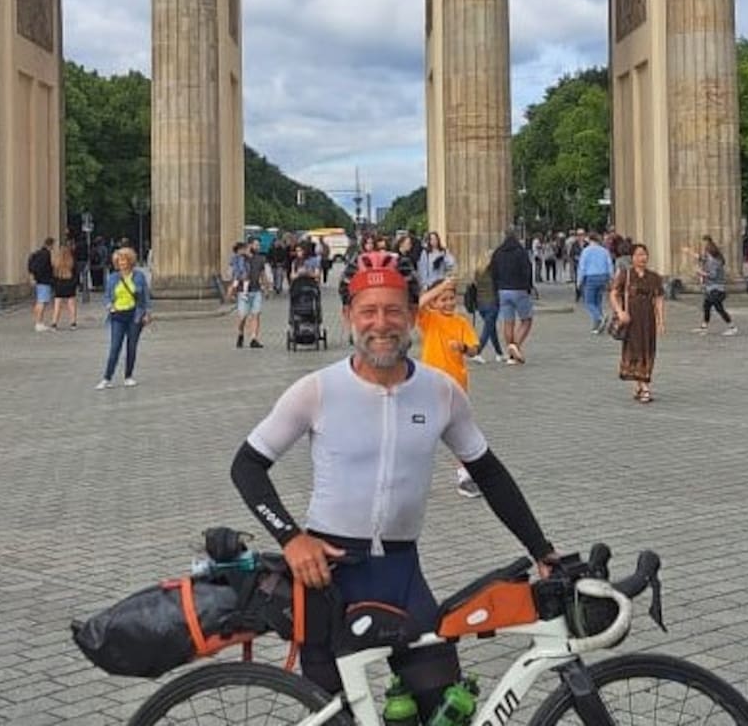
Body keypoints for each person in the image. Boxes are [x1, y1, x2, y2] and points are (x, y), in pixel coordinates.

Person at [230, 251, 558, 720]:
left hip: (403, 577)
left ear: (411, 316)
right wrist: (292, 538)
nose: (380, 323)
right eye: (368, 310)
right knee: (335, 716)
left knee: (447, 711)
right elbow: (246, 466)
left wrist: (540, 549)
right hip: (329, 580)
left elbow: (488, 472)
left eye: (393, 310)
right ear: (348, 316)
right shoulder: (317, 390)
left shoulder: (441, 391)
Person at [417, 278, 482, 498]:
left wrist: (463, 348)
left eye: (451, 298)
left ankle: (465, 475)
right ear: (434, 302)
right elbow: (417, 304)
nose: (448, 303)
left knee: (460, 431)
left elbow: (474, 349)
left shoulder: (461, 322)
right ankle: (411, 476)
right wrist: (440, 286)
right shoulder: (429, 318)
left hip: (457, 384)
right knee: (425, 430)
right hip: (431, 384)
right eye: (442, 299)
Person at [609, 244, 665, 403]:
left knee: (648, 349)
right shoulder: (625, 275)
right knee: (635, 350)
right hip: (631, 319)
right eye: (639, 255)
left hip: (647, 318)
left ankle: (641, 383)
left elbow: (659, 299)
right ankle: (645, 386)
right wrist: (620, 312)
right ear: (632, 257)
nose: (643, 258)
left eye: (645, 254)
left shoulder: (654, 277)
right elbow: (613, 294)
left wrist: (660, 320)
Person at [96, 247, 151, 390]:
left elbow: (145, 297)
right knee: (115, 347)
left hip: (135, 315)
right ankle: (107, 378)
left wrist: (147, 313)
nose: (122, 263)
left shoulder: (139, 276)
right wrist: (110, 306)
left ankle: (128, 376)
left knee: (131, 347)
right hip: (118, 315)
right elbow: (107, 296)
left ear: (130, 261)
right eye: (119, 260)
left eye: (124, 260)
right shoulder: (113, 277)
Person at [490, 228, 534, 364]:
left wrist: (497, 287)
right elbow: (527, 270)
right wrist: (528, 286)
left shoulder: (498, 252)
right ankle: (515, 346)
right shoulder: (520, 252)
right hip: (519, 289)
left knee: (508, 322)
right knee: (526, 320)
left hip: (503, 290)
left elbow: (493, 271)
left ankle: (511, 355)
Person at [694, 236, 737, 336]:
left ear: (709, 251)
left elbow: (713, 275)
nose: (704, 251)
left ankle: (732, 327)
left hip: (716, 288)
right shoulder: (712, 259)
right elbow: (700, 258)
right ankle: (704, 327)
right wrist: (689, 252)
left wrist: (701, 273)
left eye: (706, 250)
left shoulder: (714, 262)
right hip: (711, 288)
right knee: (706, 306)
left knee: (719, 308)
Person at [235, 238, 271, 349]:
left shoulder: (261, 259)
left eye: (259, 245)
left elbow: (262, 274)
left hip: (256, 290)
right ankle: (240, 333)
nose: (258, 247)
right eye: (256, 245)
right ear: (249, 246)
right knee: (243, 316)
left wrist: (266, 288)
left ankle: (253, 338)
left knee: (256, 314)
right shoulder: (241, 259)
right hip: (243, 291)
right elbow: (235, 272)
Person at [470, 252, 504, 363]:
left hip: (480, 303)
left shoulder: (478, 271)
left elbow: (474, 285)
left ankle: (499, 353)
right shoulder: (492, 270)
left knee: (491, 328)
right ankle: (477, 352)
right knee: (487, 329)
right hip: (492, 302)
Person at [576, 233, 614, 334]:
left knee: (589, 302)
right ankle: (597, 326)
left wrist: (579, 281)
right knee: (597, 301)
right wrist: (611, 278)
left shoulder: (586, 251)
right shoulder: (604, 251)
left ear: (590, 240)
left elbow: (582, 267)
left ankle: (599, 317)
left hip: (591, 277)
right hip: (603, 277)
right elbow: (609, 264)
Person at [28, 237, 56, 333]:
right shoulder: (46, 254)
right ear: (51, 245)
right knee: (42, 302)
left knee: (40, 301)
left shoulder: (38, 253)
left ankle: (38, 321)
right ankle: (39, 322)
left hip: (39, 280)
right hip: (44, 281)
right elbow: (45, 268)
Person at [51, 244, 79, 329]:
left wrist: (54, 285)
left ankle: (54, 323)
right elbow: (76, 274)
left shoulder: (56, 263)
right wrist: (75, 283)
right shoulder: (72, 262)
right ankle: (73, 323)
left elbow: (53, 276)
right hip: (70, 284)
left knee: (57, 305)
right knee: (71, 305)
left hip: (59, 285)